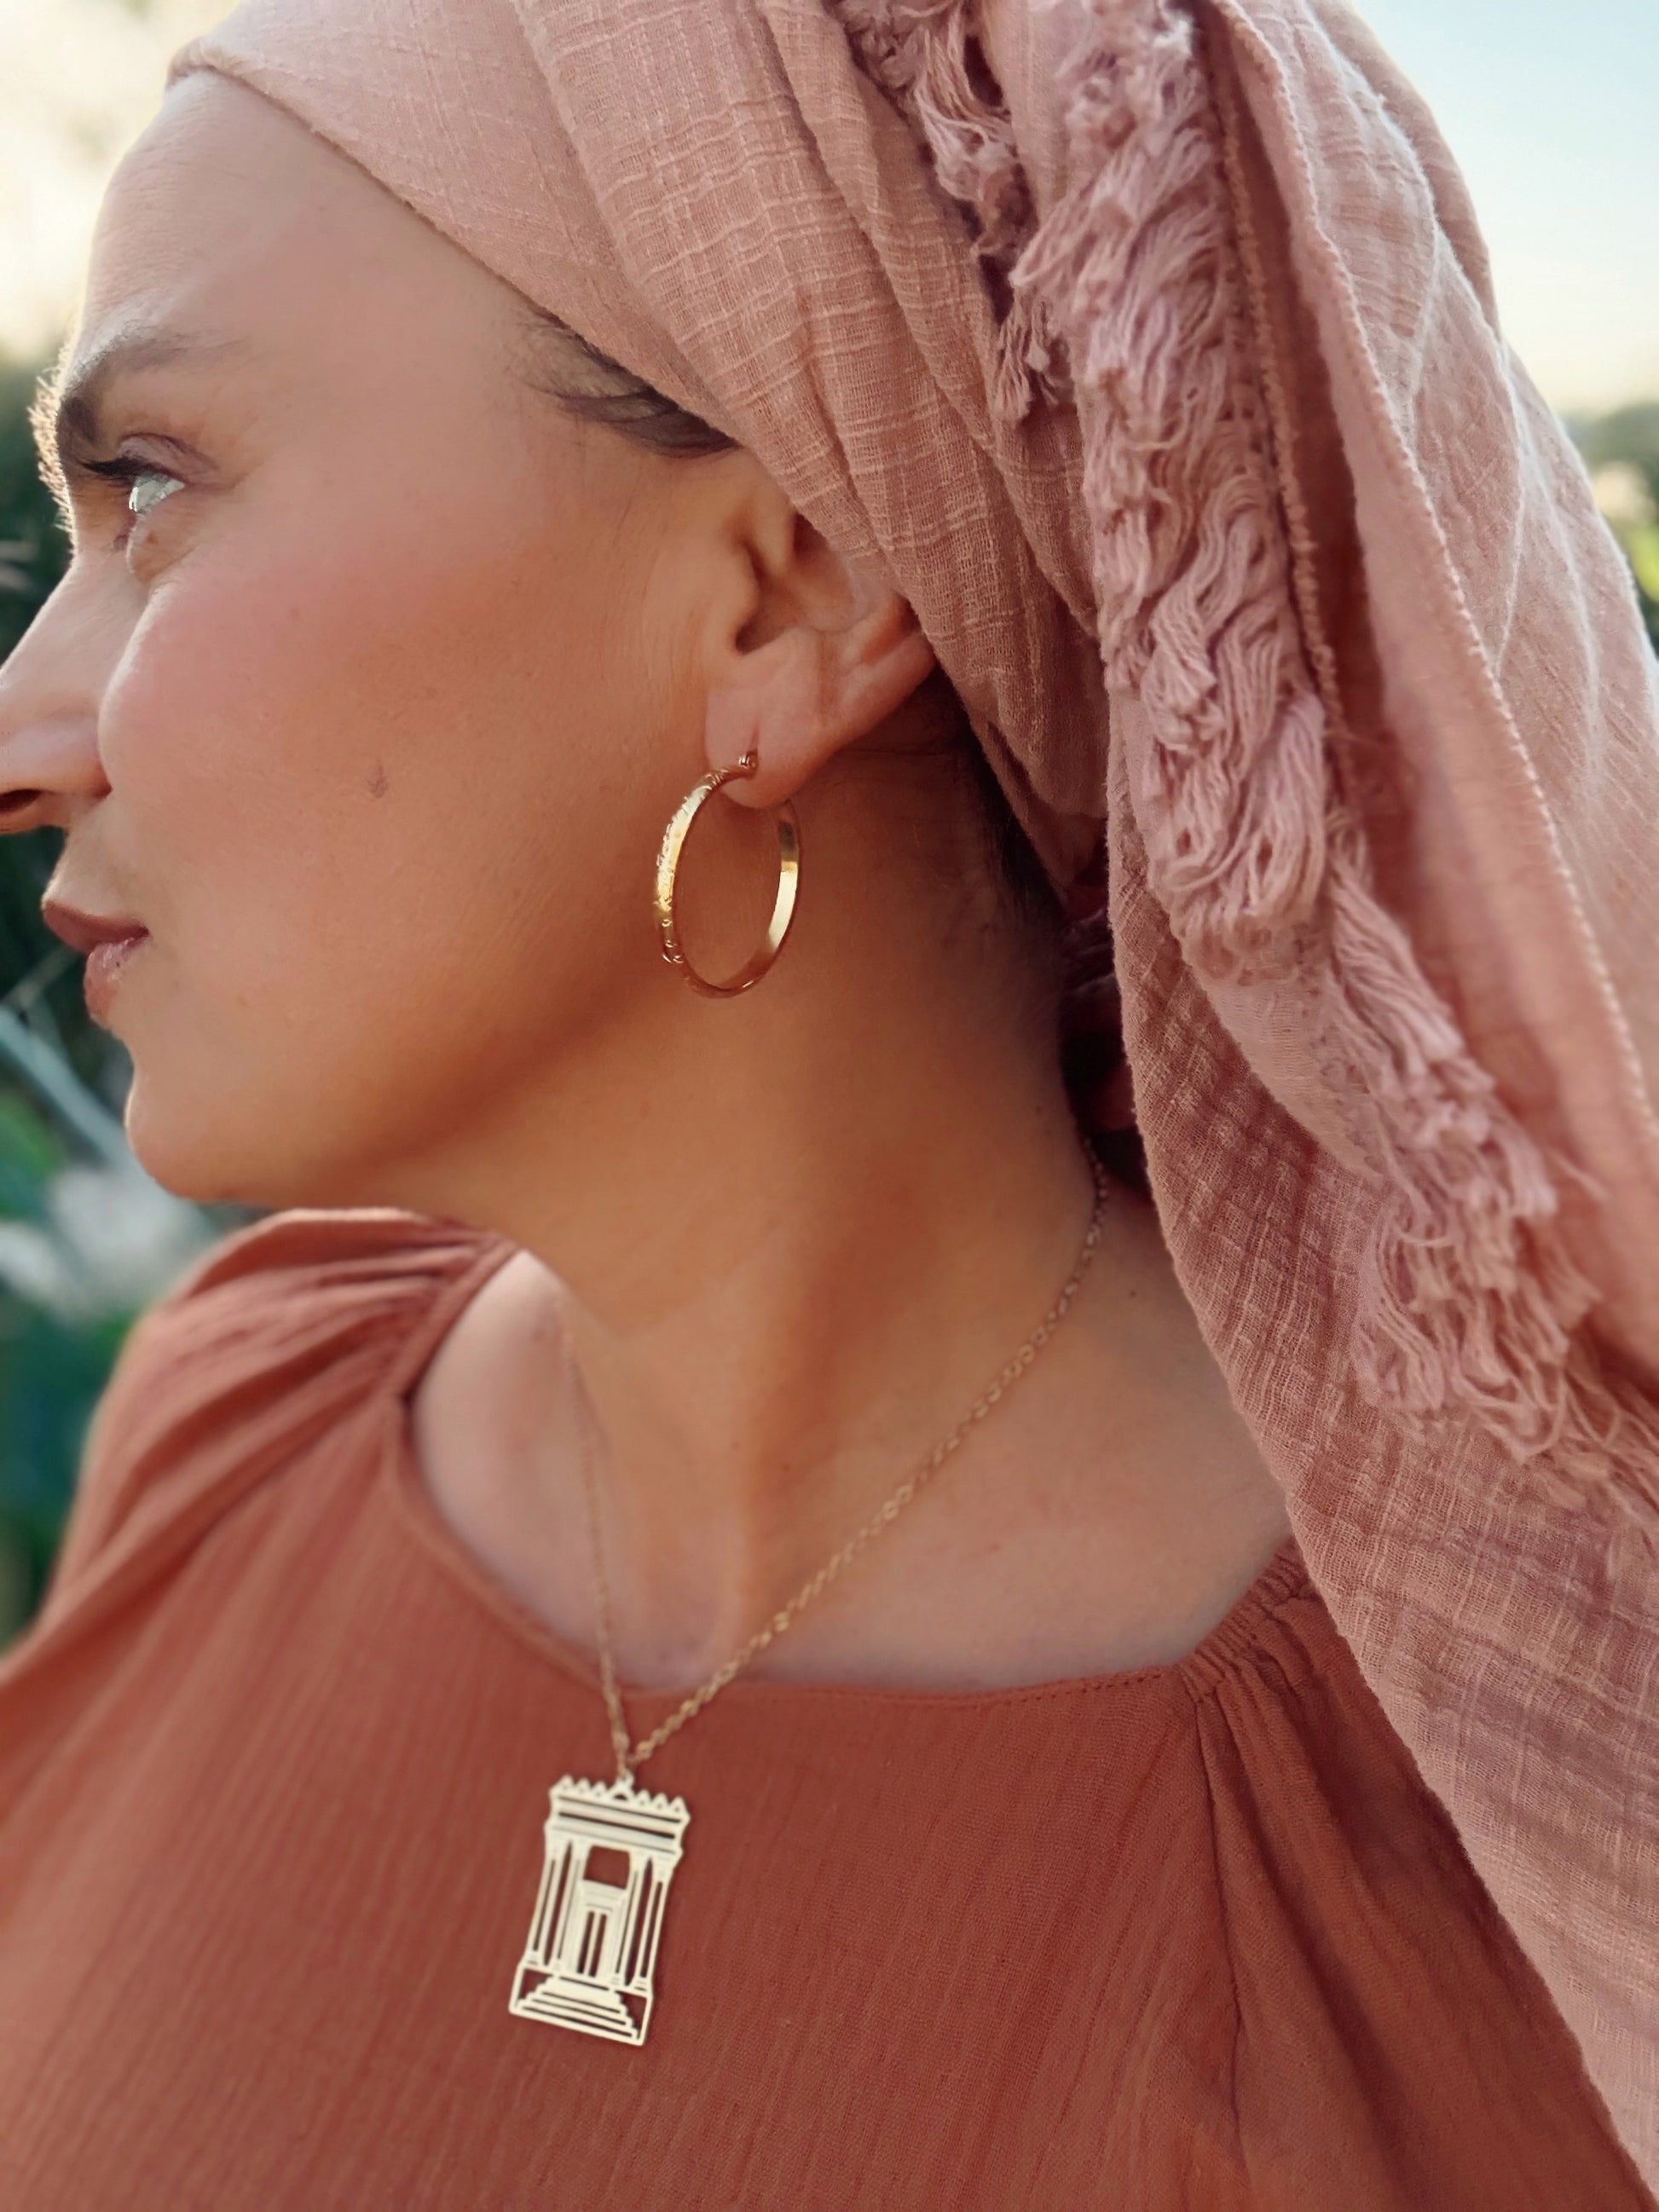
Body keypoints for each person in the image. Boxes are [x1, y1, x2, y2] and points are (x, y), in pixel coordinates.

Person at [0, 0, 1654, 2203]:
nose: (21, 733)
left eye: (153, 489)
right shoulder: (231, 1413)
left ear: (790, 601)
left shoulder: (1447, 1886)